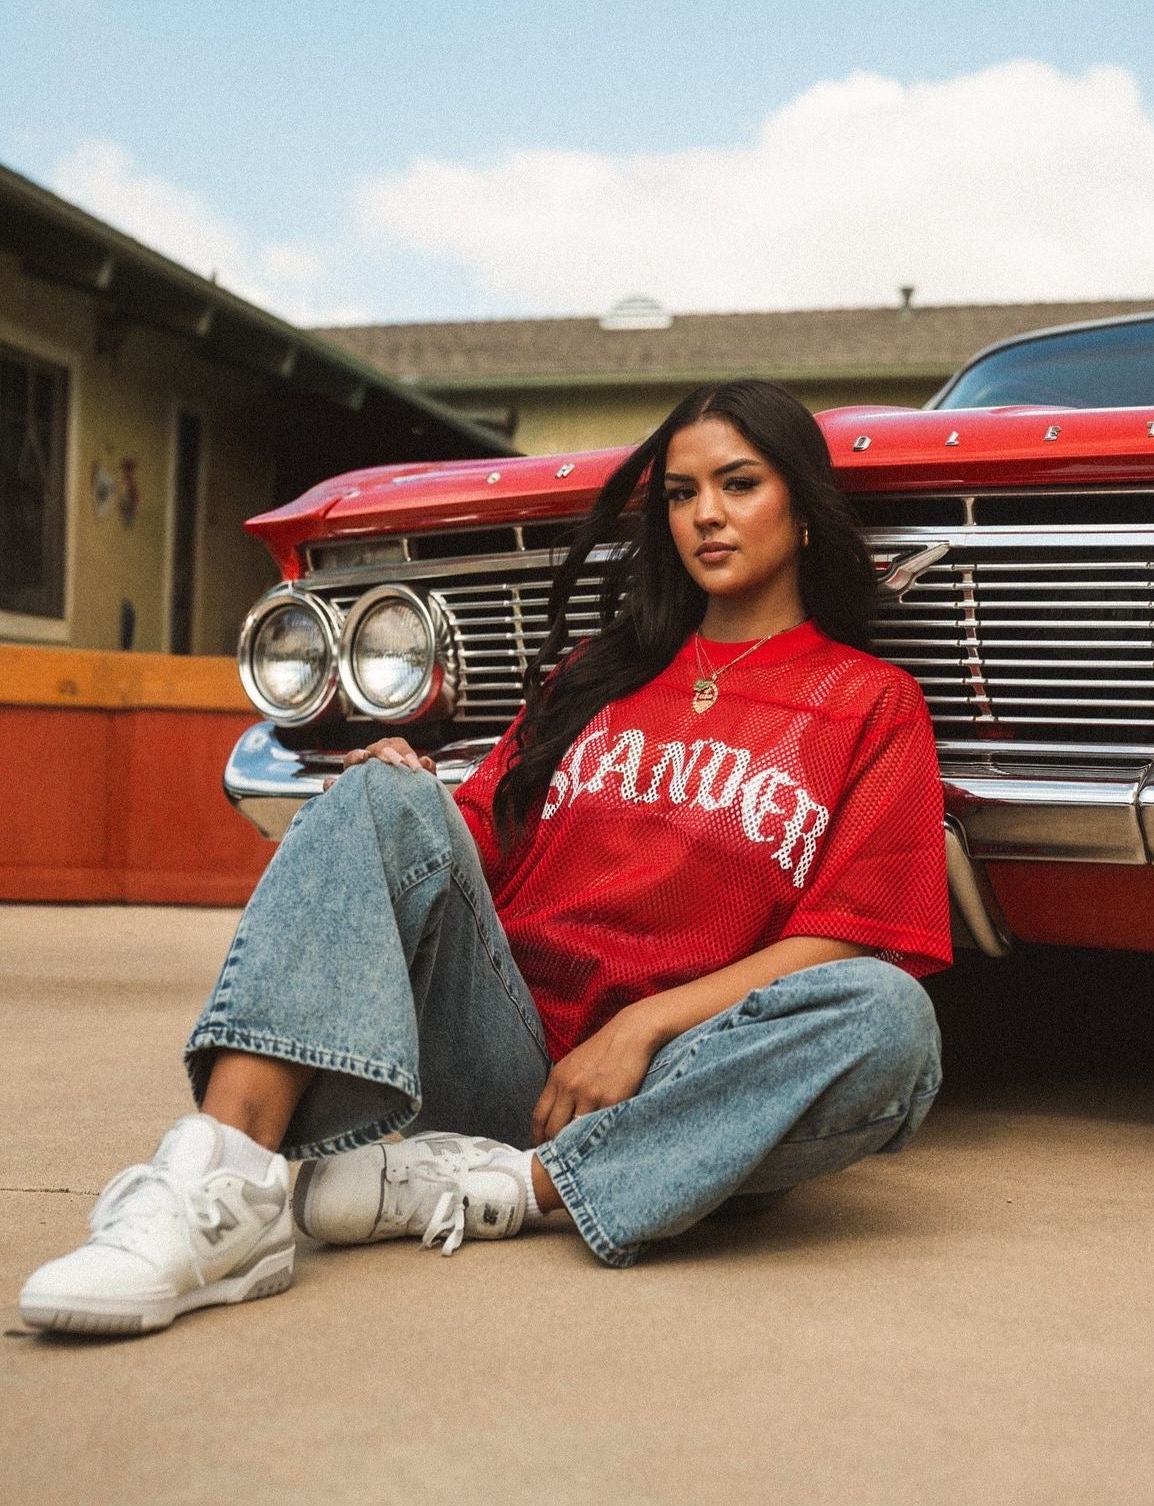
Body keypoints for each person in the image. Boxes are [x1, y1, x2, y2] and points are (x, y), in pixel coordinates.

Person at [21, 379, 951, 1336]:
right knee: (378, 792)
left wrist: (638, 1032)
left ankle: (506, 1185)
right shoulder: (599, 676)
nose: (706, 515)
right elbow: (465, 849)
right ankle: (224, 1185)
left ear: (801, 509)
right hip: (497, 1048)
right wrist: (399, 799)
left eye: (739, 483)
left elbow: (852, 940)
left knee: (892, 1021)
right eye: (680, 493)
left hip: (680, 1083)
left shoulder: (868, 703)